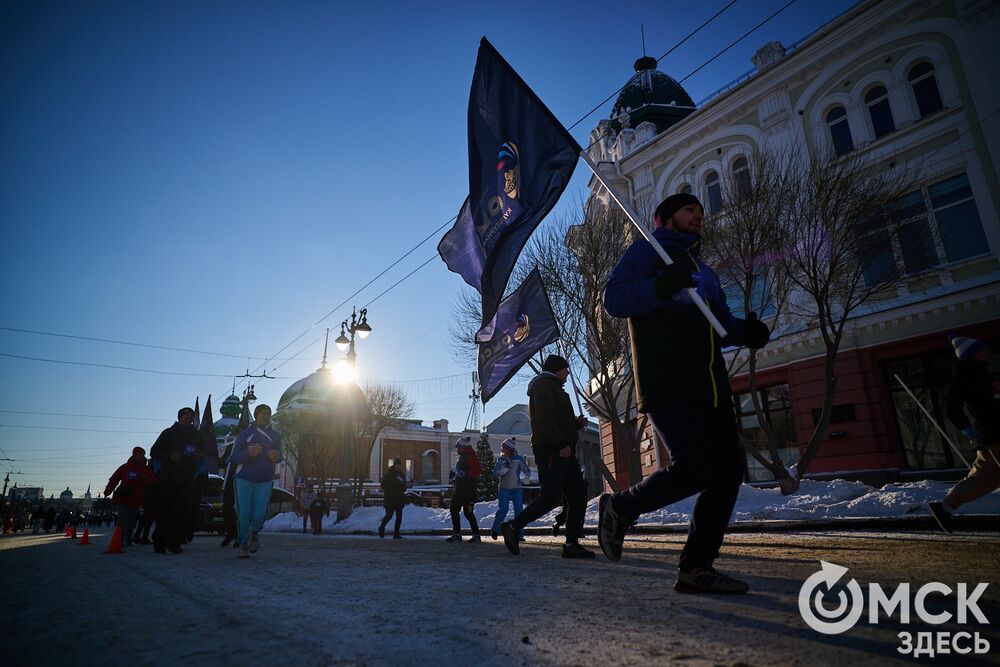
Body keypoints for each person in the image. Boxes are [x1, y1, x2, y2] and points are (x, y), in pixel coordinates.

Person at [597, 193, 770, 593]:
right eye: (689, 209)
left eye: (700, 211)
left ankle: (696, 567)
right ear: (667, 217)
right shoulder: (647, 252)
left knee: (728, 472)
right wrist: (661, 285)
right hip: (667, 380)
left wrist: (746, 332)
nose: (698, 216)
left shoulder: (704, 272)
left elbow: (719, 325)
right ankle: (621, 506)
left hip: (711, 384)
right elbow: (614, 300)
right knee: (695, 467)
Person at [499, 355, 594, 559]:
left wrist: (575, 425)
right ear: (557, 369)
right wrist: (560, 443)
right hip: (553, 451)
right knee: (551, 497)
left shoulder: (554, 387)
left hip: (563, 451)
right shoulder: (544, 386)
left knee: (578, 494)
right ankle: (513, 527)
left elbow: (557, 419)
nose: (568, 372)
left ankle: (572, 544)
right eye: (566, 369)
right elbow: (544, 418)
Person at [930, 335, 1000, 533]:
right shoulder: (970, 376)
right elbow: (952, 407)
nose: (988, 351)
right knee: (985, 478)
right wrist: (969, 430)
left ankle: (945, 507)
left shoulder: (984, 374)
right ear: (974, 353)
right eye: (983, 348)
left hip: (988, 437)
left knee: (985, 479)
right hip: (995, 434)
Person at [149, 407, 205, 554]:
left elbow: (203, 452)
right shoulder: (169, 433)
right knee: (165, 511)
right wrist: (169, 456)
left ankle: (174, 543)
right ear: (180, 417)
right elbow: (154, 451)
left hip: (187, 478)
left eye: (191, 416)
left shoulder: (197, 435)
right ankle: (159, 543)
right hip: (168, 477)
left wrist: (199, 455)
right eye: (186, 415)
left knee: (181, 512)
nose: (189, 417)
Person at [230, 404, 281, 559]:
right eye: (263, 413)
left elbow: (280, 456)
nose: (266, 416)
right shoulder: (245, 433)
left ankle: (254, 533)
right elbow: (234, 457)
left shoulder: (275, 435)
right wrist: (249, 453)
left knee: (260, 514)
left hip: (265, 479)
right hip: (244, 478)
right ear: (256, 415)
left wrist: (276, 456)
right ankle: (243, 543)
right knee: (244, 513)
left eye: (268, 413)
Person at [104, 446, 155, 546]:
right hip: (123, 498)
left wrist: (144, 478)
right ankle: (121, 538)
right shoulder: (125, 467)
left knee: (131, 521)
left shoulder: (146, 469)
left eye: (142, 455)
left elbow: (153, 482)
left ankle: (128, 538)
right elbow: (114, 479)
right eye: (139, 455)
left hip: (136, 499)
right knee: (123, 519)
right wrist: (107, 491)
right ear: (134, 455)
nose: (141, 456)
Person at [490, 438, 529, 541]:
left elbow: (527, 471)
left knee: (519, 511)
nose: (503, 449)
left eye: (504, 448)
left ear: (510, 449)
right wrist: (502, 471)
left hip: (517, 488)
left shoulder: (518, 459)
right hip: (504, 488)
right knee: (503, 509)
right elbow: (494, 473)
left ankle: (519, 534)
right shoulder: (501, 460)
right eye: (502, 448)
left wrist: (524, 479)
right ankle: (495, 530)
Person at [446, 436, 481, 543]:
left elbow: (478, 470)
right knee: (463, 511)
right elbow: (462, 471)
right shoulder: (463, 457)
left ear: (462, 447)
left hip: (466, 491)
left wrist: (464, 473)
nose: (457, 449)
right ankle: (472, 534)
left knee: (462, 511)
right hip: (462, 490)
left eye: (458, 447)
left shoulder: (470, 456)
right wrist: (455, 474)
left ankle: (460, 534)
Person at [379, 459, 406, 539]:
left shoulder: (401, 474)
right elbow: (383, 485)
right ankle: (382, 528)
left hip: (399, 499)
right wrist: (391, 489)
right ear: (395, 465)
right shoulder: (389, 473)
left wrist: (403, 488)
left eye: (400, 465)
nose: (399, 467)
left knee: (399, 517)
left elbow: (403, 484)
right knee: (389, 516)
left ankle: (396, 534)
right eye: (398, 465)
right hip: (390, 499)